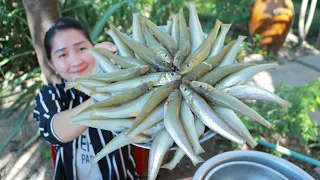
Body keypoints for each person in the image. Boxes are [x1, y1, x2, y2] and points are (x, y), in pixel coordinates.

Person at [33, 17, 140, 180]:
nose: (76, 61)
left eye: (82, 48)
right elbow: (53, 132)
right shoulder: (51, 94)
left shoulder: (121, 81)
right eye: (62, 55)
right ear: (52, 64)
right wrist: (106, 95)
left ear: (95, 48)